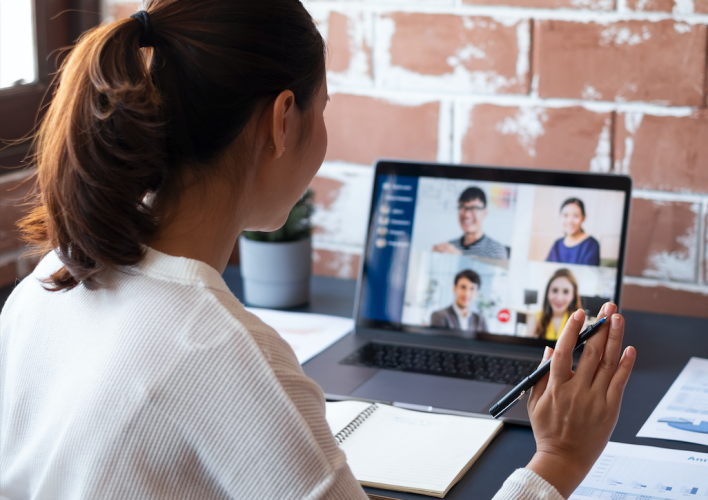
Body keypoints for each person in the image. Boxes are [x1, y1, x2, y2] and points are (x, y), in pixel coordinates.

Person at [0, 2, 635, 499]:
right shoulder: (219, 355)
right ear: (282, 119)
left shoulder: (48, 283)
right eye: (322, 107)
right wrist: (558, 461)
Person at [433, 186, 509, 260]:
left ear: (484, 213)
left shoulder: (496, 250)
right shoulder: (449, 247)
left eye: (473, 208)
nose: (466, 214)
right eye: (462, 208)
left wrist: (459, 258)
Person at [528, 269, 583, 341]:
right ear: (548, 293)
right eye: (555, 290)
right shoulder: (535, 318)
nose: (559, 298)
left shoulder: (578, 320)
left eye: (566, 291)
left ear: (573, 295)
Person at [430, 269, 487, 337]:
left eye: (472, 289)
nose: (466, 294)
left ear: (477, 293)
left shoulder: (480, 320)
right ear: (454, 288)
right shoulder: (440, 316)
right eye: (463, 287)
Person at [546, 198, 600, 266]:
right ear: (560, 216)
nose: (570, 221)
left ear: (583, 217)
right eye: (565, 215)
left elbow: (588, 274)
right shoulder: (557, 244)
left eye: (575, 216)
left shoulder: (591, 244)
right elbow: (546, 269)